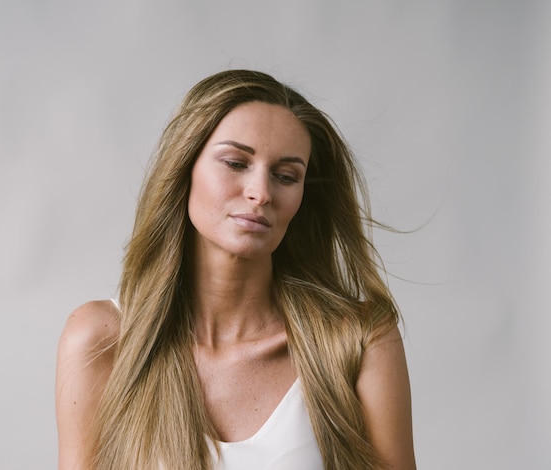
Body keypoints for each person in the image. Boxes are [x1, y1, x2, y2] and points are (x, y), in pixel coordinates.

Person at [56, 69, 416, 470]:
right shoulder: (102, 340)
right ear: (184, 168)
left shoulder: (358, 341)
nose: (261, 193)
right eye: (235, 162)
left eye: (286, 176)